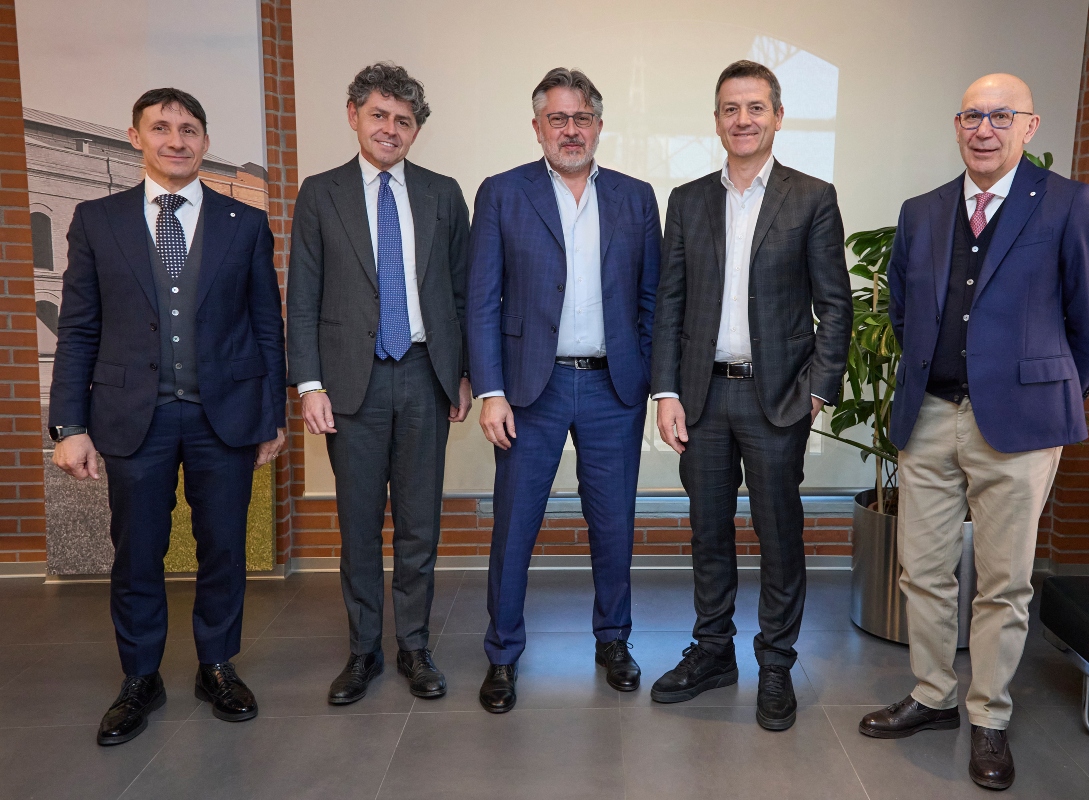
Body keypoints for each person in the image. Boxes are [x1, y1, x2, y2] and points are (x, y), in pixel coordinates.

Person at [858, 74, 1089, 790]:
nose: (984, 129)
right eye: (972, 115)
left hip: (1022, 426)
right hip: (929, 416)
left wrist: (1051, 394)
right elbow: (904, 310)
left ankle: (990, 716)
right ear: (957, 124)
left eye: (1002, 116)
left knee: (1004, 582)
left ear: (1029, 126)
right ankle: (933, 695)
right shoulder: (923, 211)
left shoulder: (1067, 204)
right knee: (922, 570)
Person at [49, 88, 287, 745]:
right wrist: (69, 426)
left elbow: (266, 326)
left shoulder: (245, 224)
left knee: (224, 549)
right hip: (133, 417)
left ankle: (217, 666)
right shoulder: (98, 220)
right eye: (161, 128)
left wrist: (272, 415)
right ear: (136, 137)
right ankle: (140, 678)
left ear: (205, 141)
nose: (176, 140)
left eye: (188, 129)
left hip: (224, 417)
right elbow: (78, 329)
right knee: (137, 553)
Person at [649, 60, 852, 732]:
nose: (743, 119)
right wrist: (666, 391)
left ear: (778, 116)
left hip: (777, 401)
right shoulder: (687, 201)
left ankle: (775, 664)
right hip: (702, 399)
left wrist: (817, 392)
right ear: (716, 120)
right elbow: (670, 303)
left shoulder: (812, 197)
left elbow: (835, 304)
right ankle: (713, 652)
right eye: (730, 108)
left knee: (778, 535)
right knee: (708, 531)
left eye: (755, 107)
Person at [467, 67, 661, 713]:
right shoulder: (502, 193)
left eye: (582, 118)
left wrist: (648, 379)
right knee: (515, 527)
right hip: (531, 391)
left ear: (599, 126)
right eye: (558, 118)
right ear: (537, 127)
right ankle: (502, 653)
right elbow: (482, 301)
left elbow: (652, 300)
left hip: (613, 387)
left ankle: (614, 641)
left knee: (614, 523)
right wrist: (491, 390)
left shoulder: (636, 197)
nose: (570, 130)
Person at [286, 63, 472, 705]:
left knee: (420, 524)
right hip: (349, 384)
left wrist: (464, 373)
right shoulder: (321, 193)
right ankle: (363, 649)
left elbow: (462, 291)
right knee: (359, 524)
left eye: (404, 120)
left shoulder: (443, 193)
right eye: (379, 115)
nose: (390, 129)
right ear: (353, 115)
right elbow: (303, 296)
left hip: (425, 375)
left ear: (416, 130)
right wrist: (309, 384)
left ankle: (414, 645)